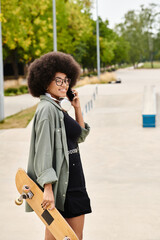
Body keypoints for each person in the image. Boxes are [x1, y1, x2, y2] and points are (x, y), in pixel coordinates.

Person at [26, 51, 92, 240]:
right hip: (64, 186)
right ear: (45, 80)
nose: (64, 85)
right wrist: (48, 189)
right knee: (69, 236)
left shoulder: (57, 107)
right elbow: (43, 151)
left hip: (74, 182)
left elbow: (80, 136)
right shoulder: (47, 110)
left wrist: (77, 107)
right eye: (58, 80)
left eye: (66, 80)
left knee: (69, 236)